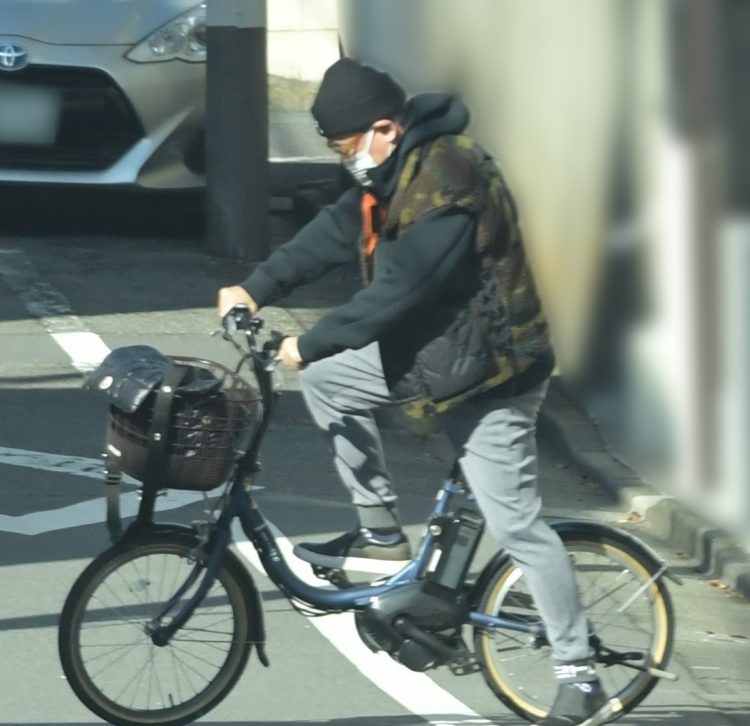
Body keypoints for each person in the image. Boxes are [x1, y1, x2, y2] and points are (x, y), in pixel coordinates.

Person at [218, 57, 617, 726]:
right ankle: (382, 537)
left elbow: (400, 292)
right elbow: (331, 232)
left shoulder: (450, 180)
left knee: (516, 522)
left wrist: (307, 341)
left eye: (346, 146)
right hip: (435, 358)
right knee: (328, 383)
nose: (345, 160)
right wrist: (257, 287)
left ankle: (581, 676)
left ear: (384, 128)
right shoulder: (389, 170)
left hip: (492, 372)